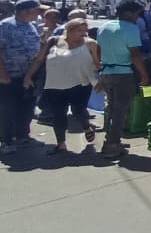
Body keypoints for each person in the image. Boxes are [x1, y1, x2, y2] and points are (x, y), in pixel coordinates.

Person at [24, 18, 99, 154]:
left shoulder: (90, 44)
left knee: (78, 110)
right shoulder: (53, 41)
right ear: (69, 31)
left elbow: (98, 64)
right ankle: (61, 144)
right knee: (58, 114)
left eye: (85, 30)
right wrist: (29, 76)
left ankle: (86, 126)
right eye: (79, 31)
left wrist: (101, 81)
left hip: (80, 84)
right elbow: (39, 60)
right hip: (55, 84)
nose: (83, 33)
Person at [97, 0, 150, 159]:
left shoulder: (104, 26)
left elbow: (98, 51)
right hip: (123, 74)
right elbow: (135, 54)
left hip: (106, 72)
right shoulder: (131, 29)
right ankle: (111, 145)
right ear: (130, 13)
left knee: (112, 108)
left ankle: (113, 140)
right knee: (120, 111)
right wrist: (144, 74)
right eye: (137, 14)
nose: (137, 18)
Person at [0, 0, 46, 154]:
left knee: (26, 108)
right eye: (37, 11)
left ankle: (22, 136)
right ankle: (6, 140)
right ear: (25, 11)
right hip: (9, 76)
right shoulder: (5, 26)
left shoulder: (31, 26)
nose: (39, 14)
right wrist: (2, 73)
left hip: (28, 76)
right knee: (8, 109)